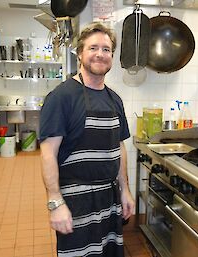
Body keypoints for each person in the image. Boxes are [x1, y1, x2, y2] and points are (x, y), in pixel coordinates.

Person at [40, 22, 135, 257]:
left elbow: (119, 146)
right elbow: (48, 153)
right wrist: (55, 203)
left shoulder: (115, 100)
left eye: (106, 49)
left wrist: (125, 190)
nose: (100, 54)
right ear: (80, 53)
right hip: (75, 201)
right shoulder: (61, 97)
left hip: (109, 198)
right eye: (93, 48)